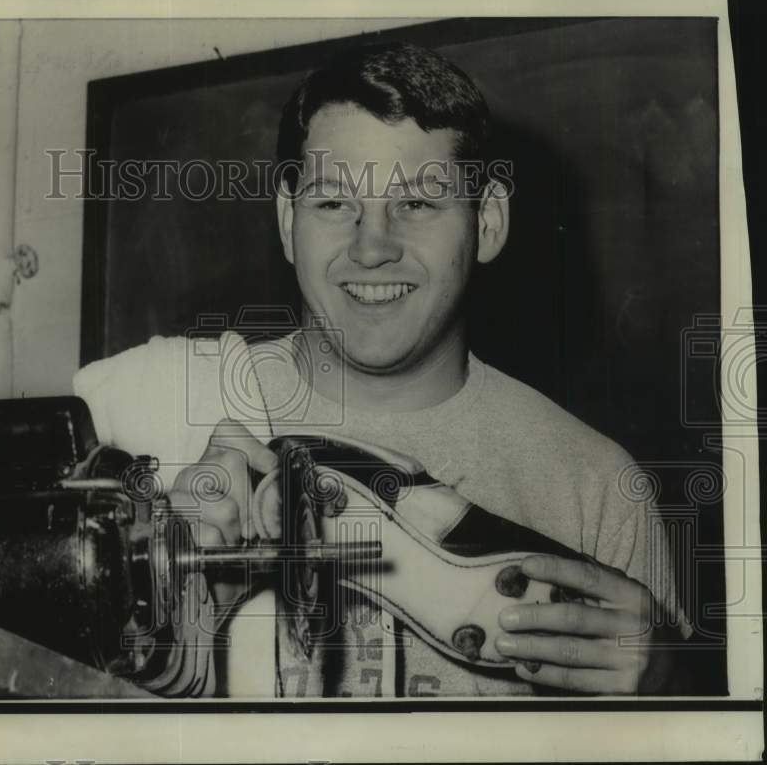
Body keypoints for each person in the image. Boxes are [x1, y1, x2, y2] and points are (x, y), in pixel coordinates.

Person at [75, 42, 686, 697]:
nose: (371, 247)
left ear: (488, 220)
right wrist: (174, 597)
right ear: (288, 221)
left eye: (417, 204)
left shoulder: (599, 493)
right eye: (334, 204)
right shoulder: (130, 426)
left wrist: (669, 686)